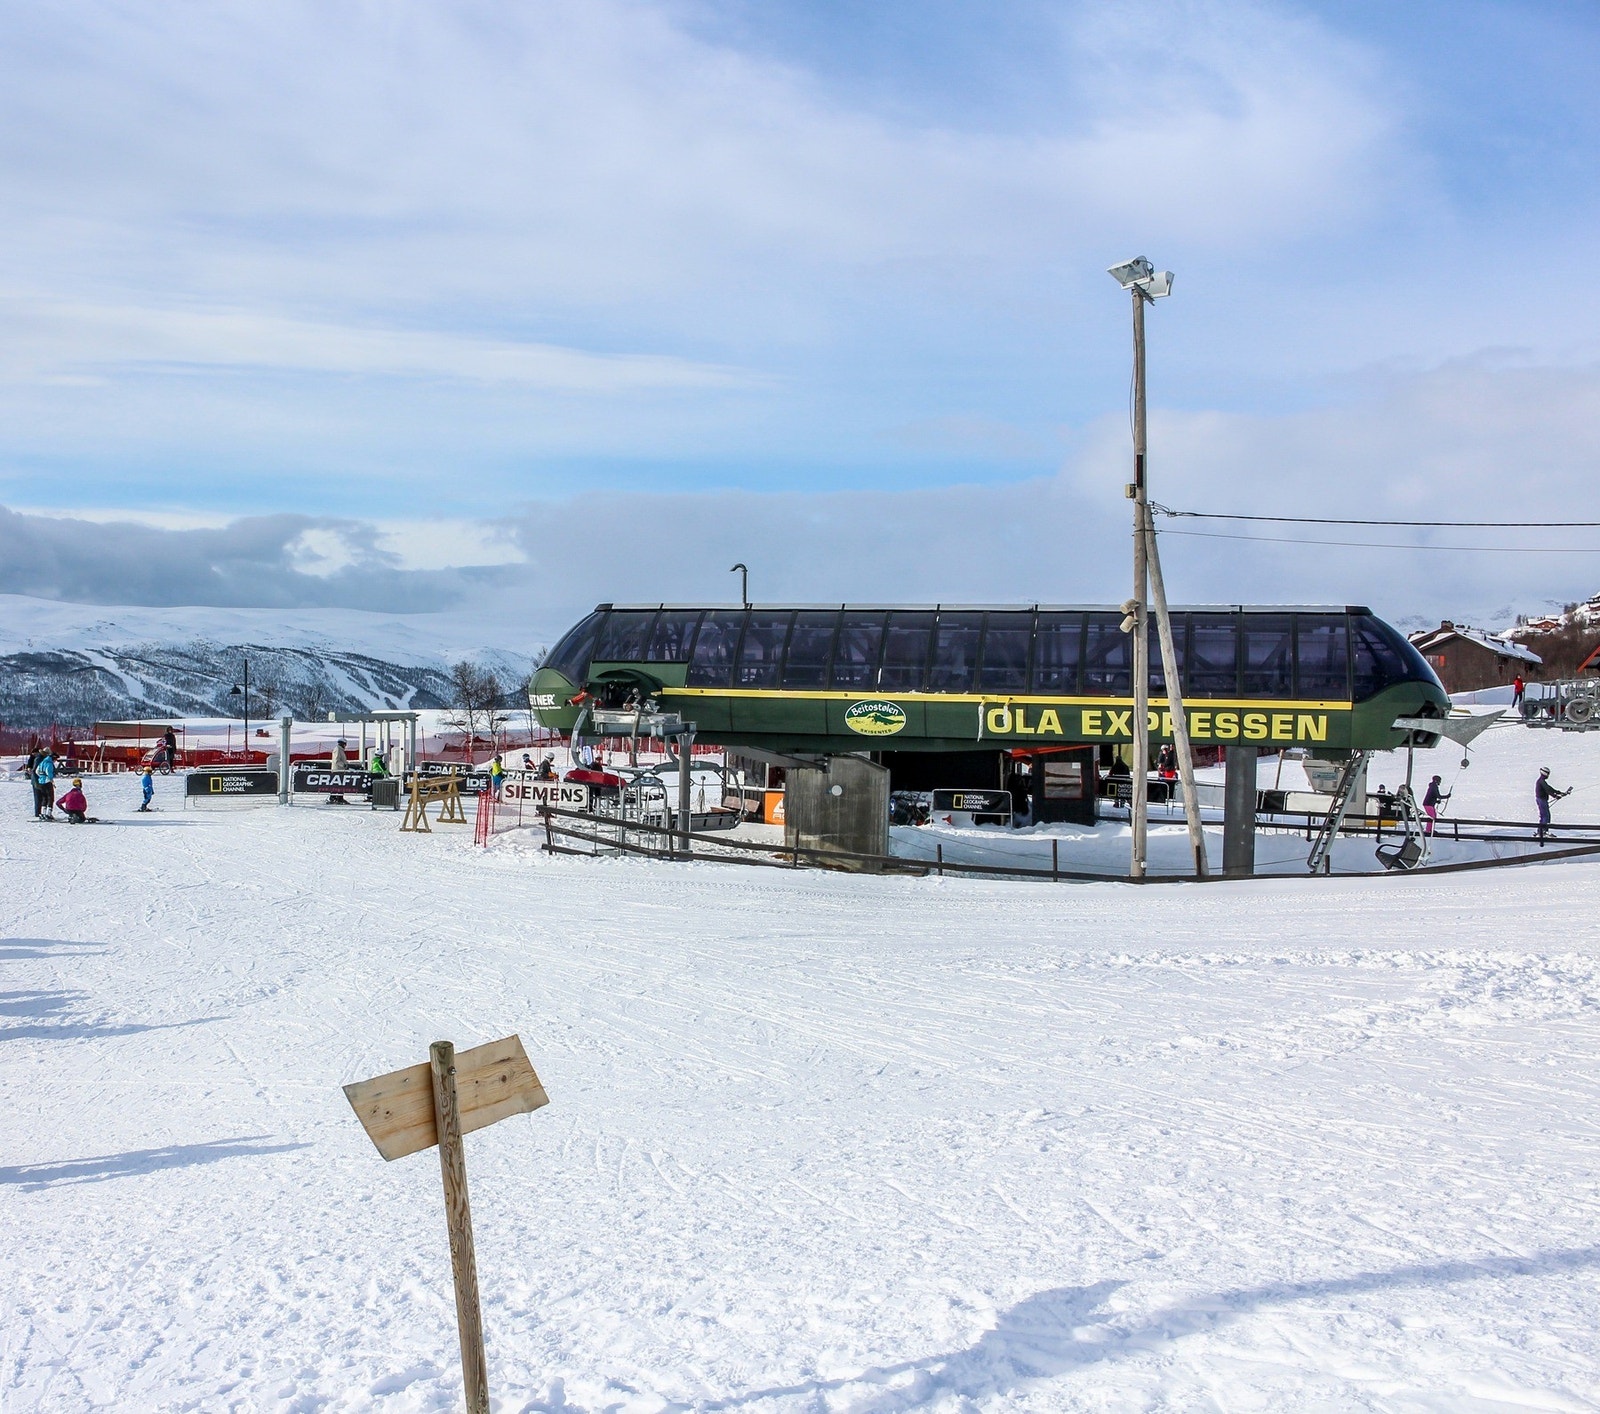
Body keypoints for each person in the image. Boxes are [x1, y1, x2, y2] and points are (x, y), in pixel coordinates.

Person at [1535, 766, 1570, 845]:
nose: (1548, 775)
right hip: (1541, 800)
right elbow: (1548, 790)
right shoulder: (1541, 781)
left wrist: (1558, 792)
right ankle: (1542, 832)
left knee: (1546, 815)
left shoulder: (1541, 781)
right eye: (1548, 773)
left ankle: (1542, 831)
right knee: (1545, 816)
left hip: (1542, 800)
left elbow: (1549, 789)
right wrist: (1555, 796)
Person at [34, 749, 56, 820]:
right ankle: (48, 814)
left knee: (44, 797)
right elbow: (48, 772)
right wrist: (51, 779)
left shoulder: (42, 762)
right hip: (47, 782)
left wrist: (41, 776)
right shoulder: (49, 763)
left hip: (41, 782)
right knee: (50, 798)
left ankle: (43, 813)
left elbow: (37, 771)